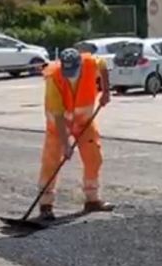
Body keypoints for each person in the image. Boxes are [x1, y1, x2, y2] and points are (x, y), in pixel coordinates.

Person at [37, 48, 114, 221]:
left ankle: (92, 200)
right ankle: (45, 205)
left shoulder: (89, 63)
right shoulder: (53, 77)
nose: (70, 75)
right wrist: (65, 145)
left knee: (94, 157)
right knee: (51, 161)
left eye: (73, 72)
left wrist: (106, 91)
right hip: (58, 126)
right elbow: (57, 115)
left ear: (80, 65)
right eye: (67, 71)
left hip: (84, 122)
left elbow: (103, 66)